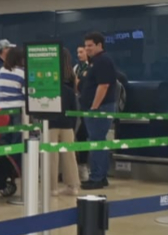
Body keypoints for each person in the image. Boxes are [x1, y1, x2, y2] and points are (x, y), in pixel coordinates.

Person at [80, 32, 120, 190]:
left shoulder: (102, 61)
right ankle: (101, 176)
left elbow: (103, 85)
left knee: (96, 141)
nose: (87, 48)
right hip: (98, 107)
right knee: (98, 141)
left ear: (99, 45)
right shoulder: (95, 61)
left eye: (90, 45)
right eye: (86, 45)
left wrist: (94, 107)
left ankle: (96, 177)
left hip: (100, 108)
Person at [39, 48, 81, 196]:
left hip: (51, 120)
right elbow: (73, 98)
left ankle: (52, 188)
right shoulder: (71, 75)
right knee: (69, 155)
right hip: (67, 120)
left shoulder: (48, 75)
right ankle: (73, 185)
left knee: (51, 156)